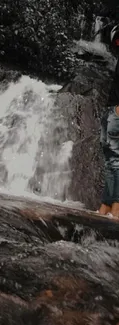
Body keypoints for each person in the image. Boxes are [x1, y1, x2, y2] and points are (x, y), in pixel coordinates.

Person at [99, 24, 119, 217]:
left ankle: (116, 208)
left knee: (115, 160)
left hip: (117, 110)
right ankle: (105, 207)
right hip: (111, 108)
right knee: (110, 159)